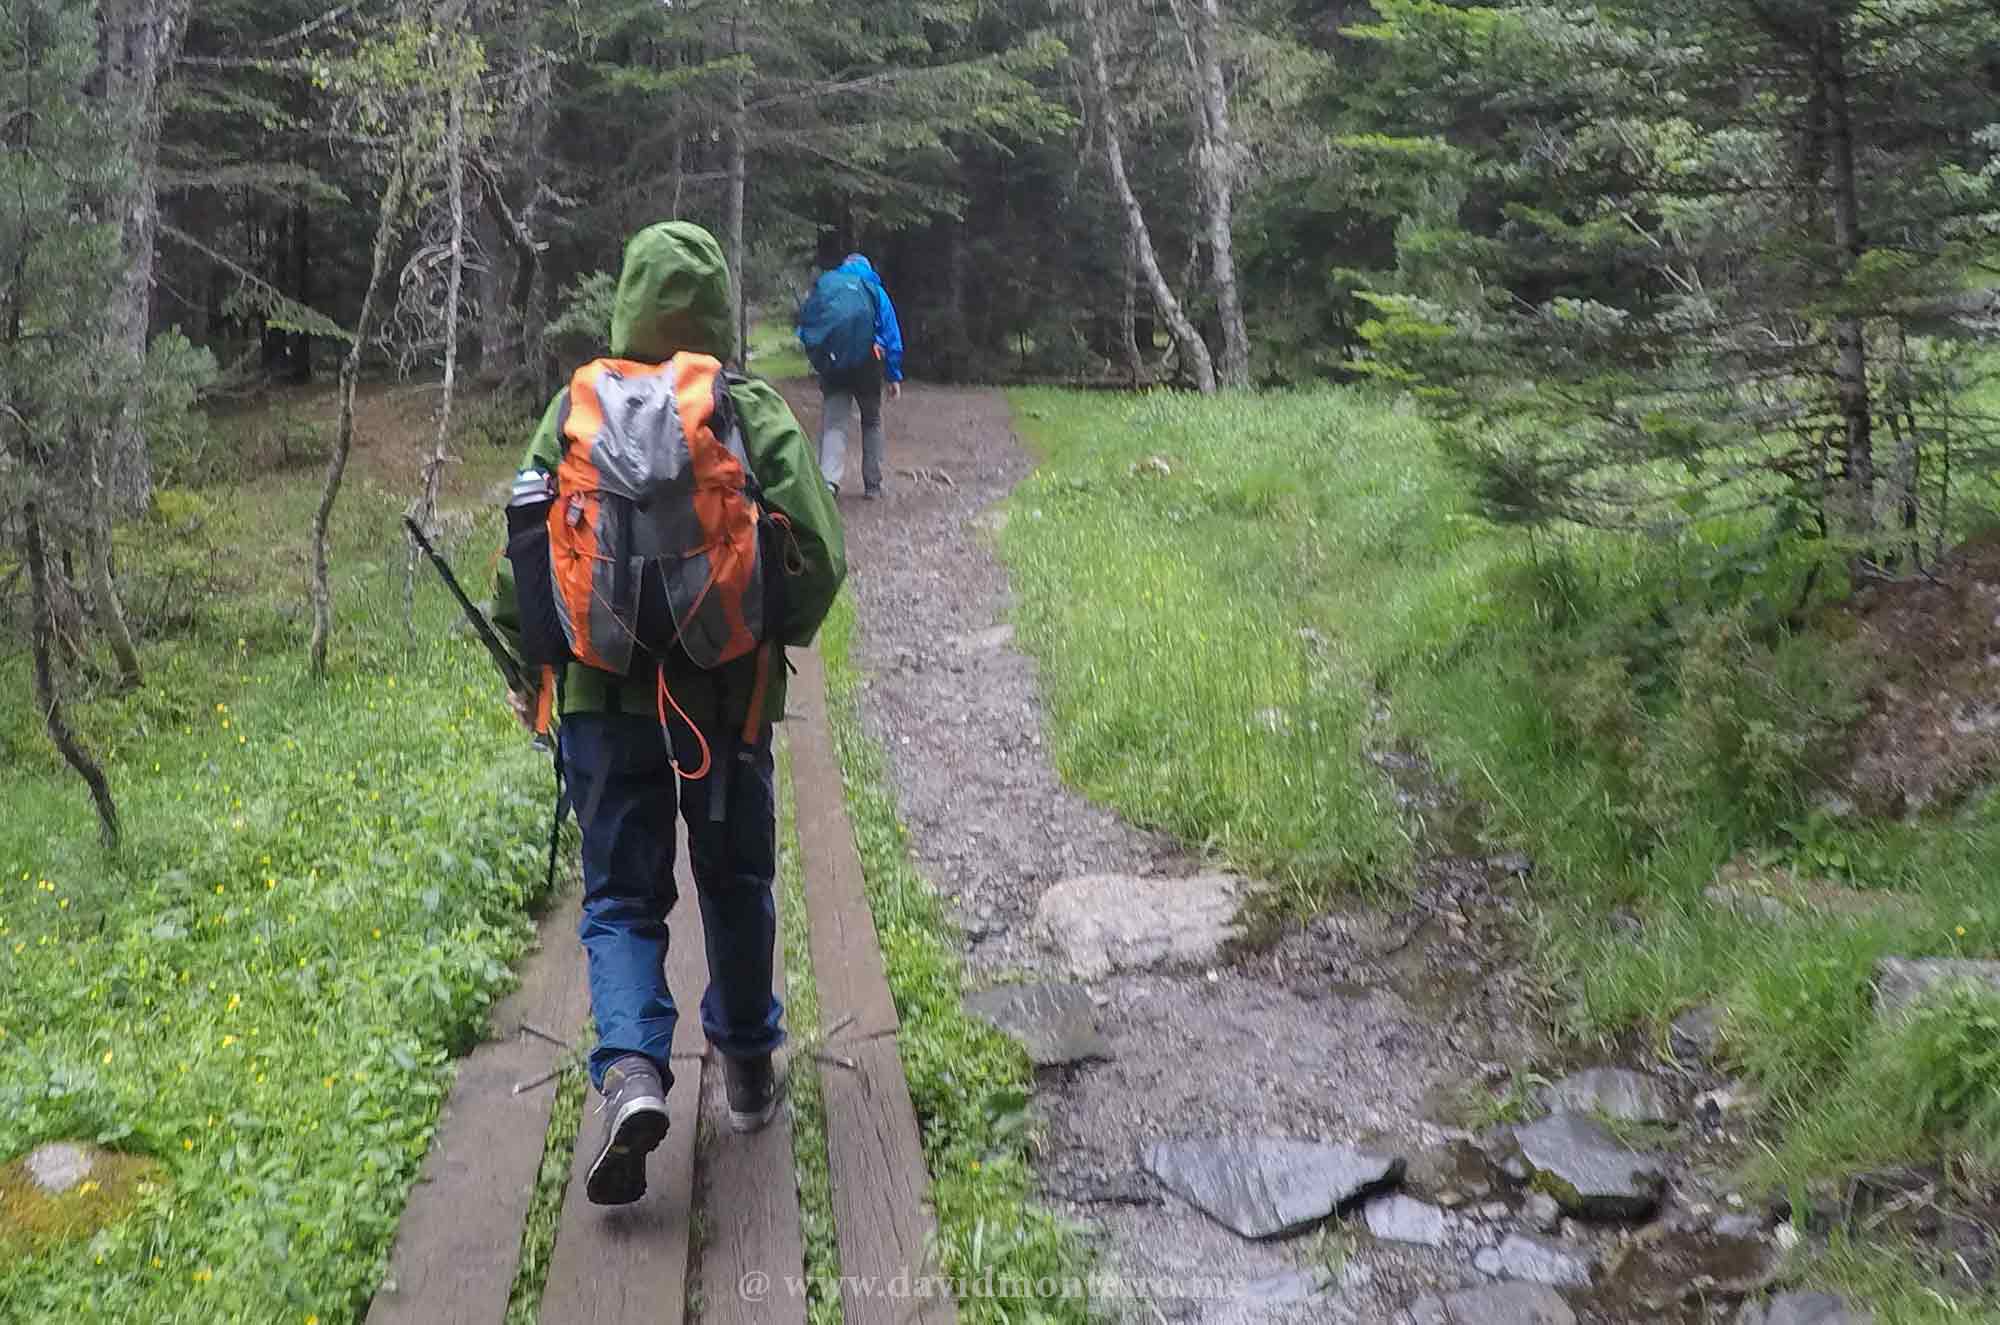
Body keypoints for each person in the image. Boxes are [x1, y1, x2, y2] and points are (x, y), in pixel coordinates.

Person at [492, 221, 845, 1205]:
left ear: (627, 303)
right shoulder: (746, 408)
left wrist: (533, 667)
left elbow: (523, 550)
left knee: (617, 899)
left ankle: (634, 1074)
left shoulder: (571, 407)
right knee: (734, 883)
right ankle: (743, 1071)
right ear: (715, 307)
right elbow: (821, 551)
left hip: (604, 706)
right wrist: (766, 645)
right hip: (725, 708)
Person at [798, 253, 904, 499]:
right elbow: (891, 335)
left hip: (834, 364)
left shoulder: (827, 286)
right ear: (866, 268)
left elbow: (808, 323)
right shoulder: (875, 290)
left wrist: (819, 356)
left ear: (844, 266)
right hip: (868, 363)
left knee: (834, 423)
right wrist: (893, 375)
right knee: (872, 421)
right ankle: (873, 485)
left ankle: (829, 483)